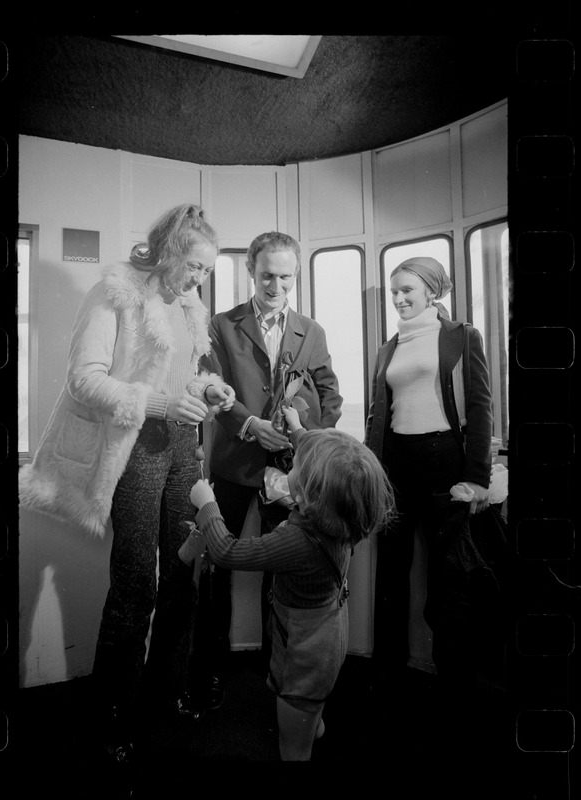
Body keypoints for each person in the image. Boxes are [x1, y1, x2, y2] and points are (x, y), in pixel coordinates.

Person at [18, 204, 236, 762]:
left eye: (207, 271)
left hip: (183, 448)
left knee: (185, 572)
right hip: (134, 448)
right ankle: (112, 715)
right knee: (137, 582)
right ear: (166, 251)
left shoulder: (189, 304)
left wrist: (209, 388)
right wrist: (163, 402)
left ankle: (167, 693)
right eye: (194, 266)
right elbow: (84, 380)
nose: (200, 280)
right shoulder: (115, 292)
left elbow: (180, 376)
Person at [187, 405, 395, 760]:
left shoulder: (297, 541)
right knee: (311, 715)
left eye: (296, 466)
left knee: (294, 744)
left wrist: (207, 505)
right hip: (326, 639)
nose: (292, 464)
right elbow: (317, 458)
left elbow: (227, 551)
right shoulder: (342, 516)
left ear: (309, 493)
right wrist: (298, 429)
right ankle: (311, 723)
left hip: (305, 651)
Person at [193, 231, 342, 711]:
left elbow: (330, 395)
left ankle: (276, 676)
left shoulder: (310, 330)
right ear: (249, 272)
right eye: (266, 276)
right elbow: (208, 386)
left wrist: (304, 437)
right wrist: (251, 424)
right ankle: (207, 674)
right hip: (234, 464)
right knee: (215, 567)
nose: (275, 285)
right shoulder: (220, 324)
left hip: (288, 472)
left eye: (285, 277)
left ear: (295, 275)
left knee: (280, 573)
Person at [364, 255, 493, 731]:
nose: (398, 298)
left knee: (448, 586)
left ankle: (455, 691)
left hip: (445, 464)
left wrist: (477, 477)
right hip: (396, 466)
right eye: (394, 291)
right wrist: (372, 473)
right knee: (391, 580)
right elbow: (381, 415)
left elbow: (480, 406)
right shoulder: (388, 347)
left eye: (407, 291)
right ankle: (386, 680)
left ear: (432, 292)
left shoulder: (461, 336)